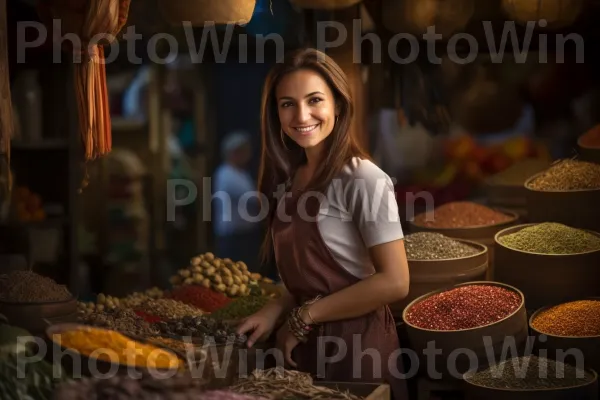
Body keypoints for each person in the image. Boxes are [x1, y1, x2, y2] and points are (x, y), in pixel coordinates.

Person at [237, 48, 410, 396]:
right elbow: (305, 279)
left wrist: (304, 318)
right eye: (287, 103)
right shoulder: (289, 181)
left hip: (359, 349)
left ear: (339, 106)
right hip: (305, 349)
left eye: (314, 99)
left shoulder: (362, 178)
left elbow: (395, 282)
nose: (301, 115)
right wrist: (275, 310)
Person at [212, 131, 262, 273]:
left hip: (244, 236)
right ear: (234, 152)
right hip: (234, 239)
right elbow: (257, 200)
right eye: (244, 150)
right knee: (235, 277)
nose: (248, 154)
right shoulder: (227, 174)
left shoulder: (240, 173)